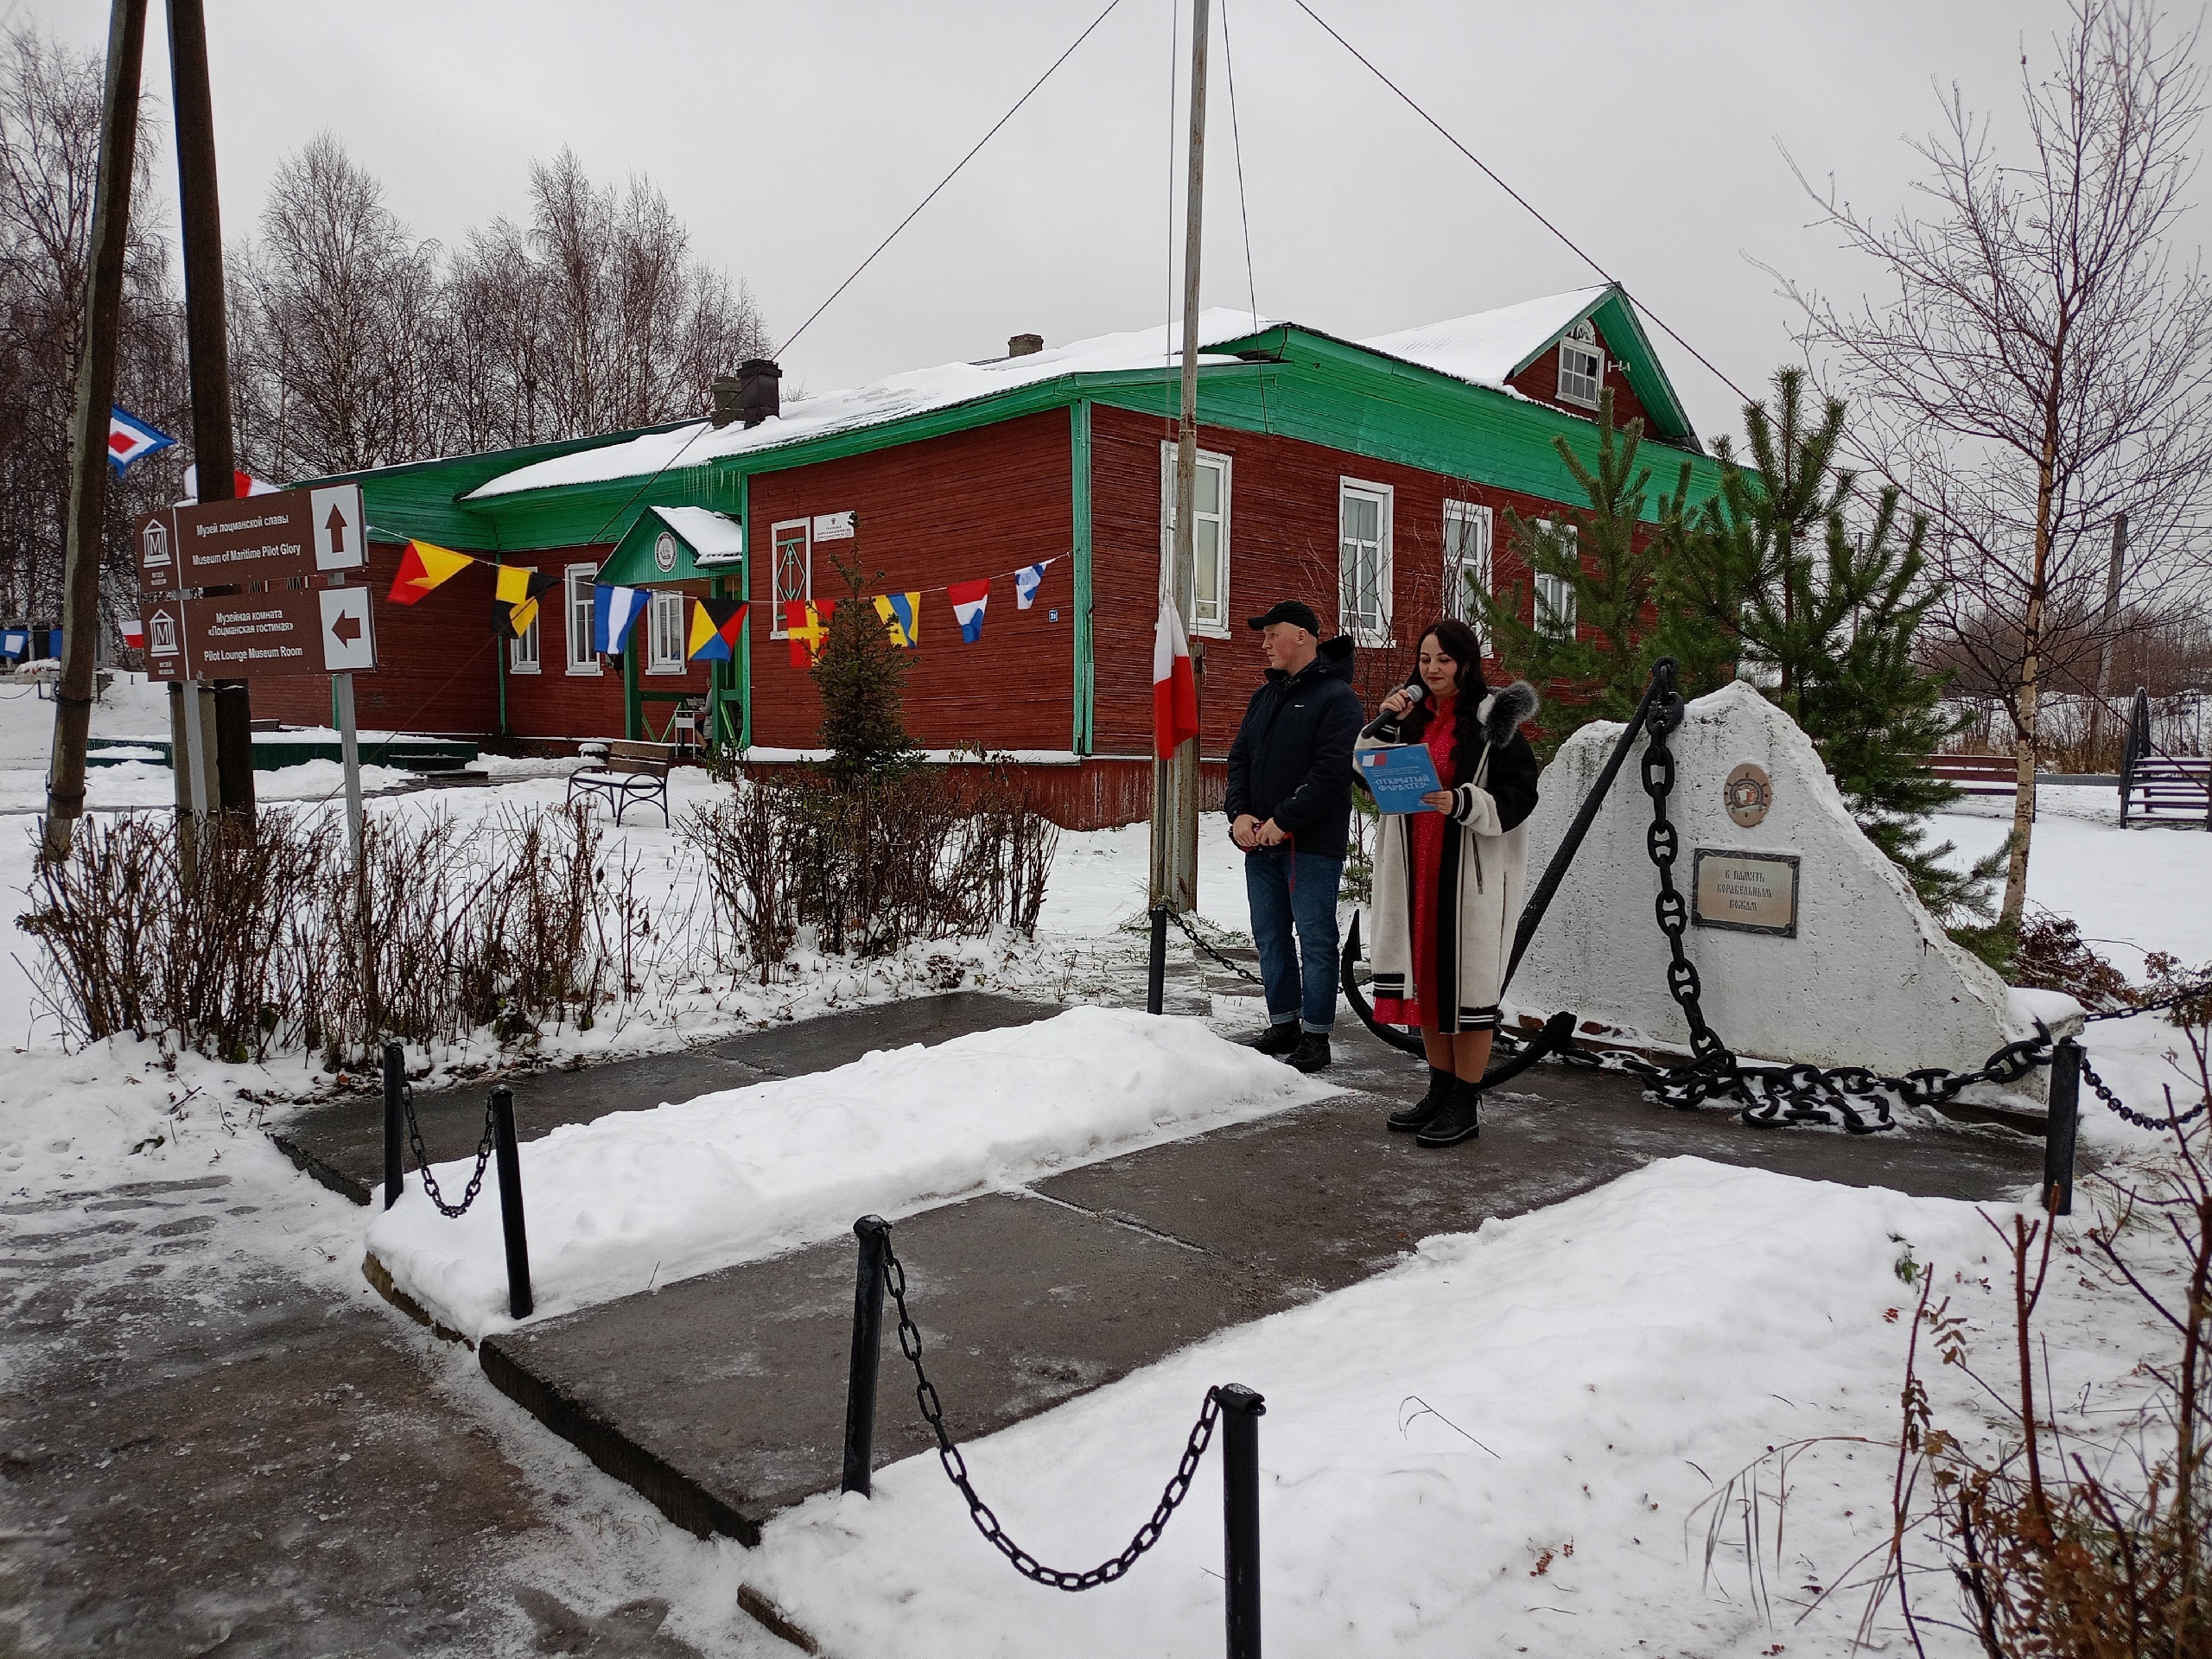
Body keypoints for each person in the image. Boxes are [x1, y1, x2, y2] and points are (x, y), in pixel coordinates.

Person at [1355, 618, 1540, 1146]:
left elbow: (1520, 795)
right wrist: (1383, 721)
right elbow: (1364, 767)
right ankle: (1438, 1090)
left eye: (1443, 659)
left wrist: (1462, 802)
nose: (1432, 669)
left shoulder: (1491, 724)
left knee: (1468, 990)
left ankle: (1465, 1101)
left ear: (1465, 663)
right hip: (1415, 873)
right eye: (1424, 659)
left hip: (1468, 880)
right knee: (1428, 984)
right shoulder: (1412, 720)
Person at [1224, 600, 1363, 1073]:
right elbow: (1239, 758)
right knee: (1270, 935)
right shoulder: (1265, 697)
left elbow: (1331, 773)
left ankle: (1317, 1036)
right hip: (1259, 842)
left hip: (1310, 846)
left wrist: (1283, 820)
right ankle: (1283, 1022)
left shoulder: (1337, 698)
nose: (1263, 644)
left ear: (1302, 636)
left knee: (1316, 939)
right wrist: (1240, 813)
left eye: (1271, 633)